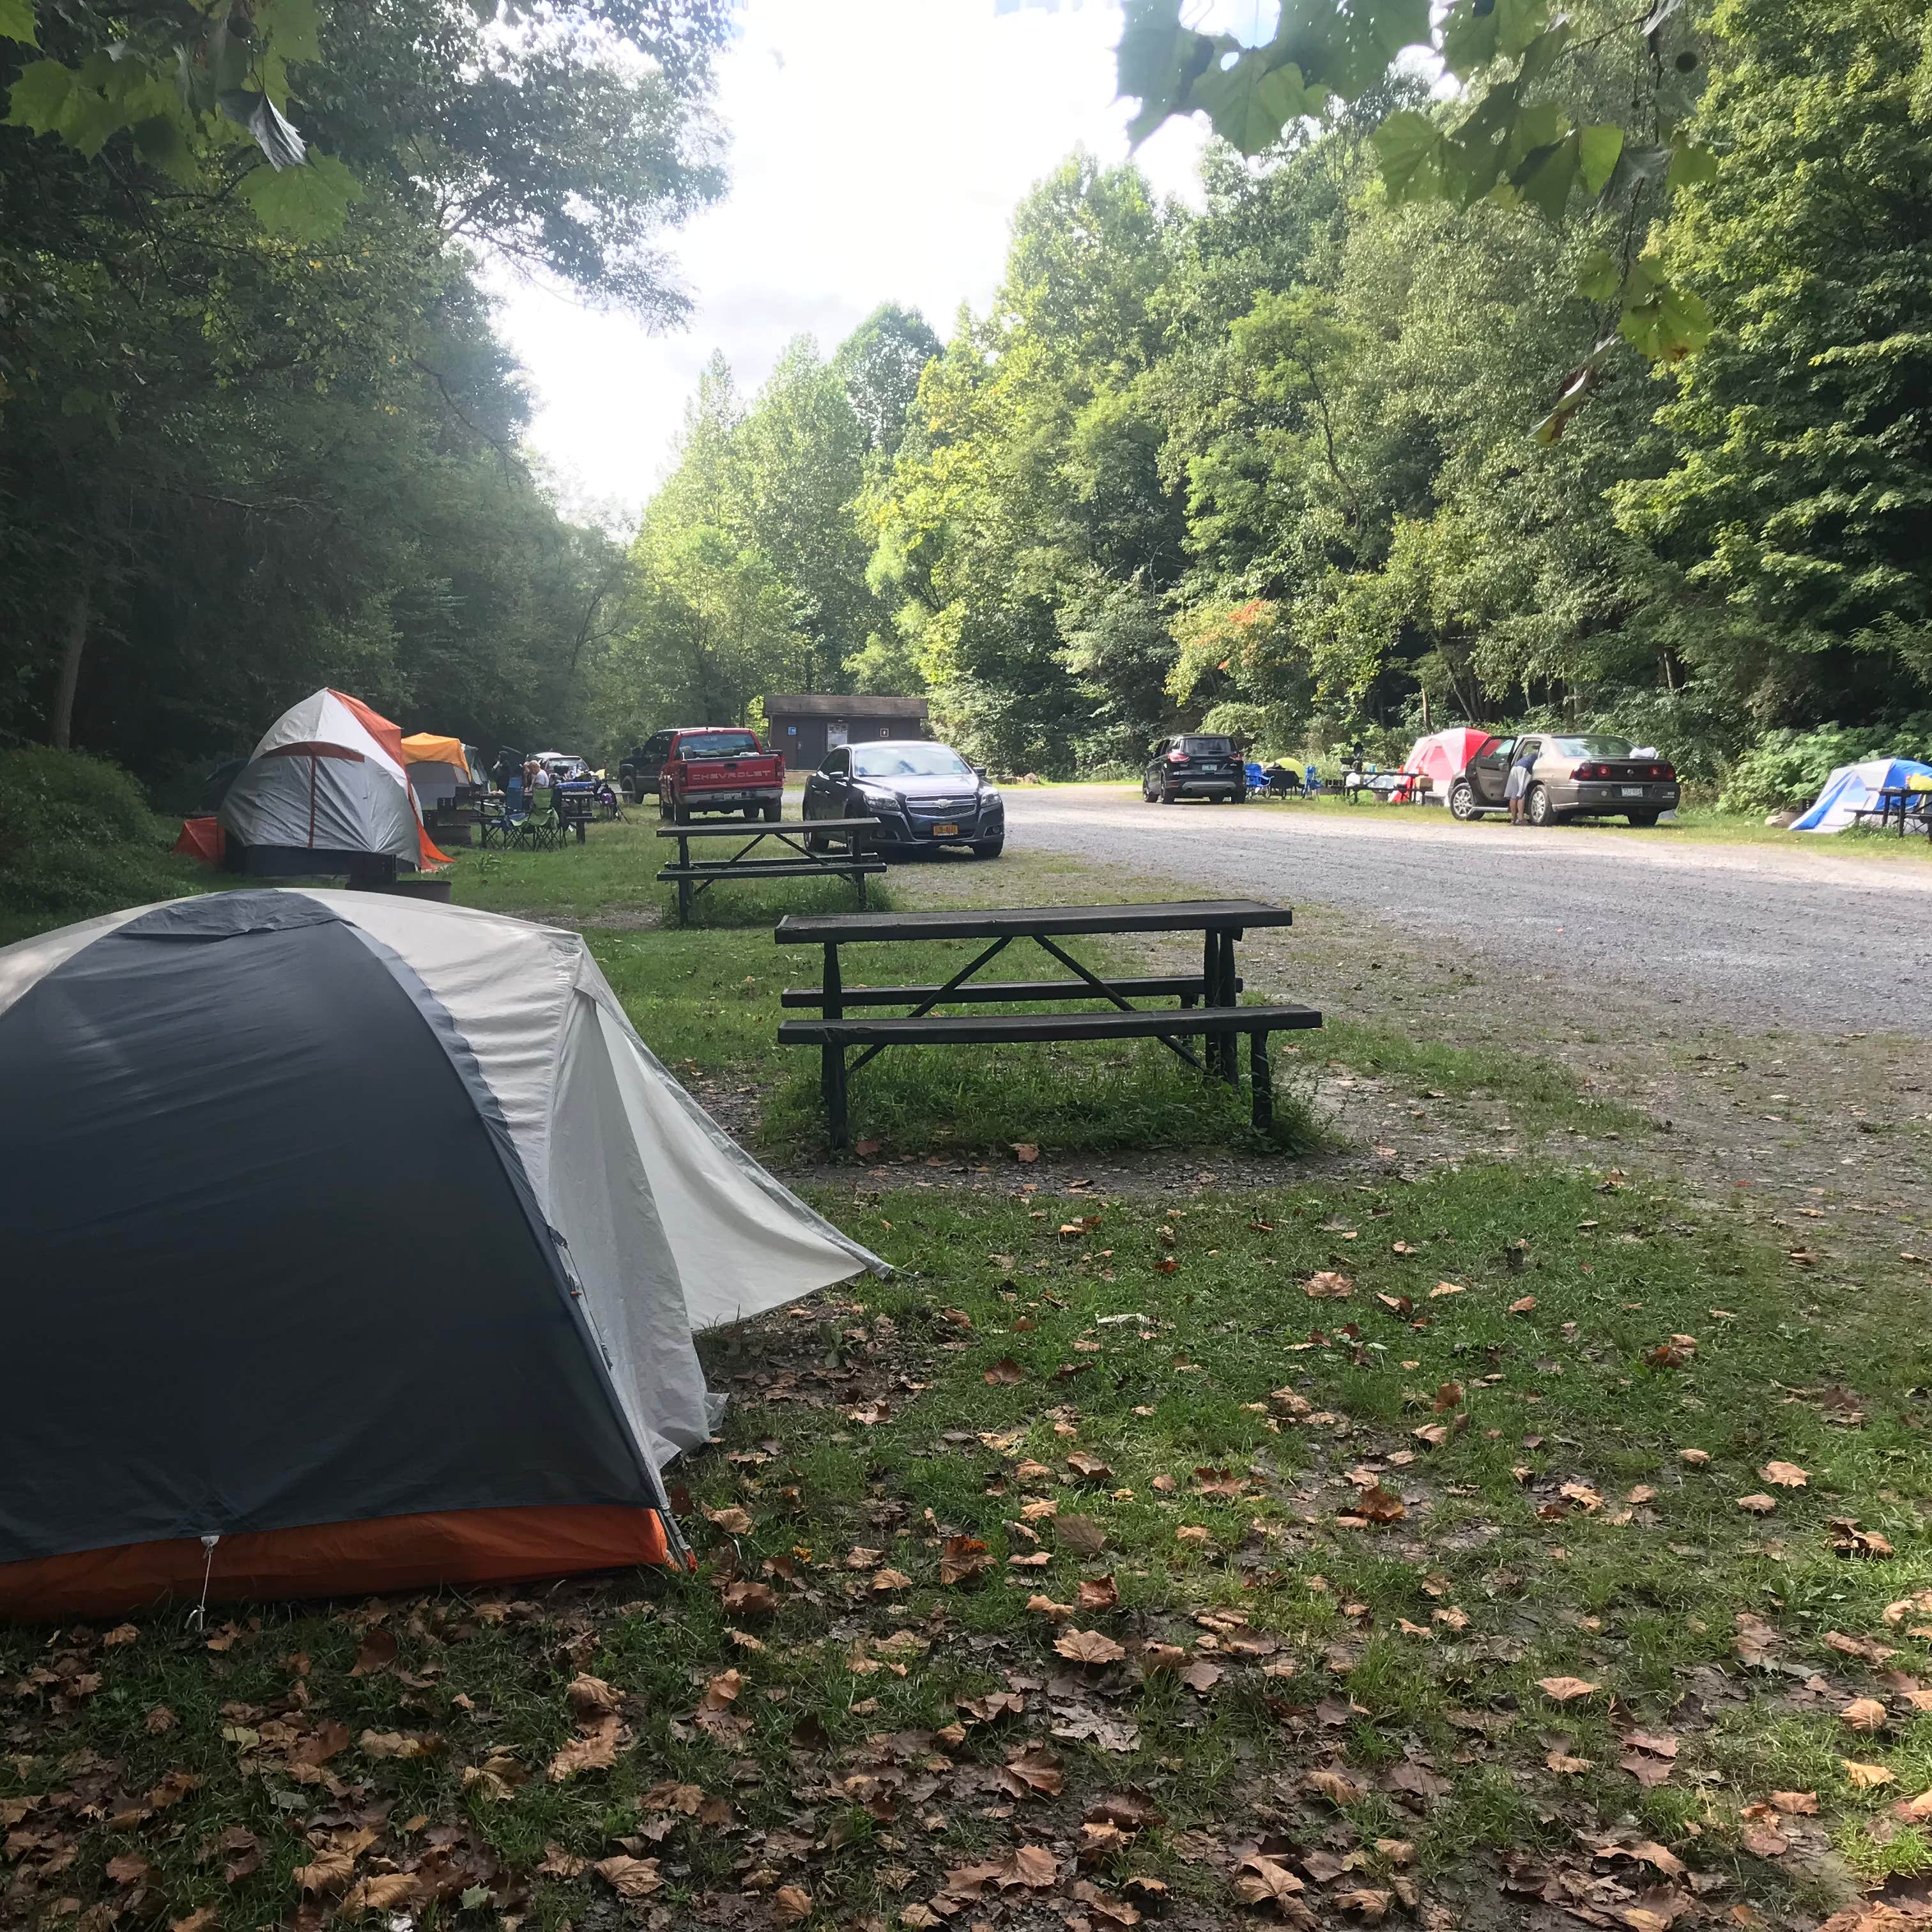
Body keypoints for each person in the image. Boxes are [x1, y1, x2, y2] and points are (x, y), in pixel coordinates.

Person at [1506, 743, 1537, 824]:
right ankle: (1521, 819)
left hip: (1515, 767)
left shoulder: (1529, 756)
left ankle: (1513, 819)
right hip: (1524, 768)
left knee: (1513, 795)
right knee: (1521, 794)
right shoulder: (1540, 757)